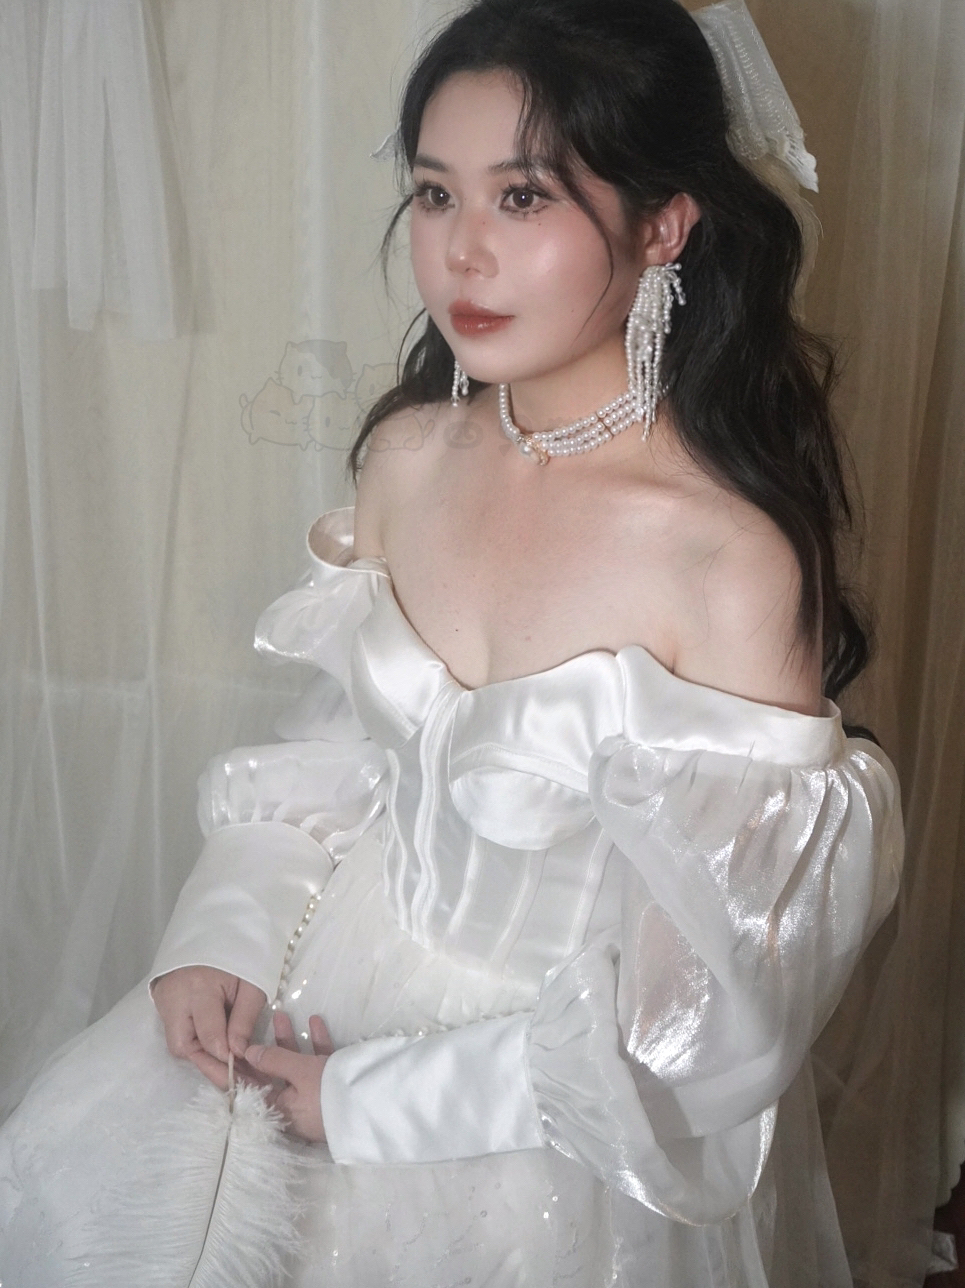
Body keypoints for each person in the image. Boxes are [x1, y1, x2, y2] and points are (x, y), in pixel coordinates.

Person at [0, 1, 903, 1285]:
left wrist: (364, 1102)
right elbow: (341, 747)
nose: (461, 253)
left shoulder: (726, 560)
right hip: (324, 976)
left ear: (663, 224)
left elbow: (701, 1021)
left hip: (535, 1116)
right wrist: (221, 931)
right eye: (435, 195)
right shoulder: (409, 457)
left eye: (521, 198)